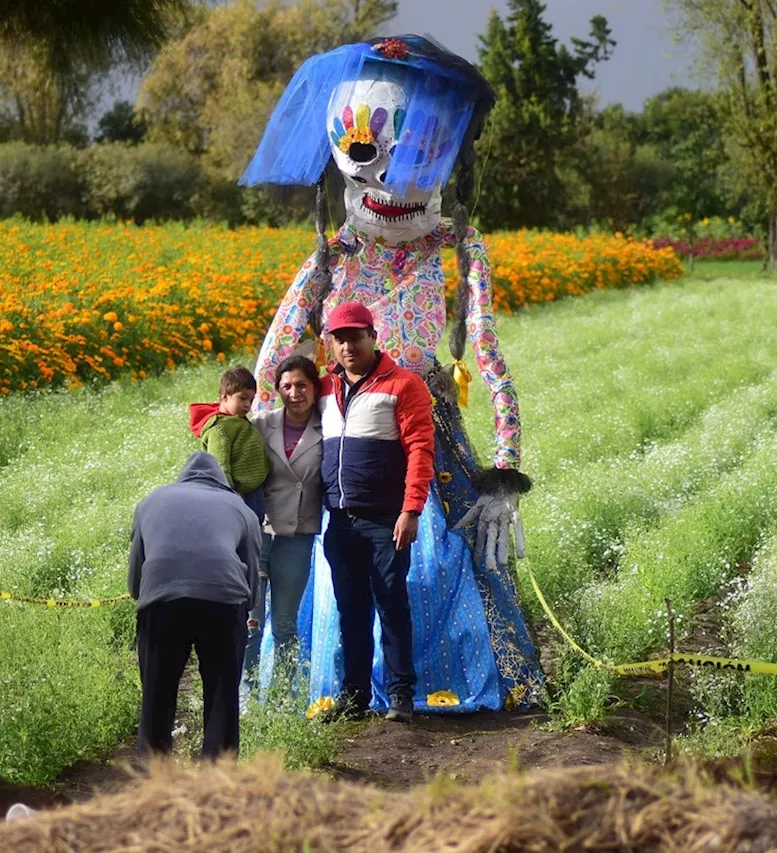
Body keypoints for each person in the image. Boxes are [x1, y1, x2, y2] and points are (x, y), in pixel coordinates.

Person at [241, 34, 544, 715]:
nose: (389, 182)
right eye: (368, 155)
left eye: (417, 155)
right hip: (343, 426)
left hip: (422, 425)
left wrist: (503, 473)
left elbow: (489, 357)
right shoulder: (333, 255)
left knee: (435, 560)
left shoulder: (456, 245)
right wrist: (254, 474)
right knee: (337, 563)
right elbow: (272, 362)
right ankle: (345, 691)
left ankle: (419, 686)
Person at [318, 301, 433, 723]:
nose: (348, 346)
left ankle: (401, 693)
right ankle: (355, 696)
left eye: (355, 336)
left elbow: (421, 448)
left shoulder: (404, 385)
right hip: (339, 520)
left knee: (391, 603)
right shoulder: (324, 389)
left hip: (387, 519)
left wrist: (412, 510)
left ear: (373, 337)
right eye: (340, 338)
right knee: (351, 608)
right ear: (331, 344)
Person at [128, 452, 261, 760]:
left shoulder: (151, 501)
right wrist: (246, 609)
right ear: (221, 481)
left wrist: (145, 595)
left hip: (160, 602)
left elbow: (136, 573)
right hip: (224, 603)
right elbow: (252, 574)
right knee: (222, 695)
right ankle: (218, 782)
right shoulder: (240, 509)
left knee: (157, 696)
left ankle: (154, 779)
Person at [243, 354, 324, 684]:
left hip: (297, 535)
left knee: (285, 623)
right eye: (287, 386)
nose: (295, 393)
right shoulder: (261, 425)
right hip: (258, 533)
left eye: (302, 385)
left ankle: (282, 697)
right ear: (277, 389)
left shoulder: (329, 427)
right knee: (251, 620)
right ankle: (244, 691)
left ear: (315, 388)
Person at [189, 367, 271, 523]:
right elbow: (219, 465)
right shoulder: (219, 429)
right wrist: (229, 495)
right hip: (239, 494)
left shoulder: (237, 420)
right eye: (242, 398)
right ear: (225, 397)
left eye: (251, 400)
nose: (247, 405)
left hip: (254, 489)